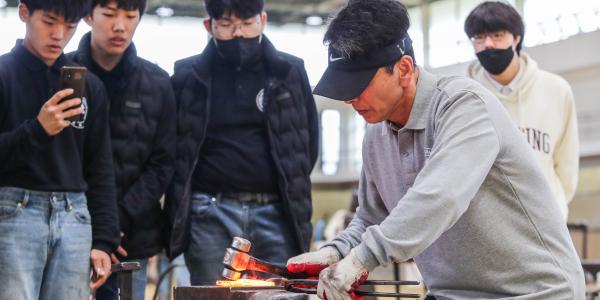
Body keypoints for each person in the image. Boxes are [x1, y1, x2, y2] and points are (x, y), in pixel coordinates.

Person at [285, 0, 585, 299]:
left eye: (358, 85)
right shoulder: (375, 135)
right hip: (452, 294)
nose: (348, 99)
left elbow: (440, 196)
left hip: (537, 292)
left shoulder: (464, 105)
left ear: (403, 69)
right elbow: (372, 217)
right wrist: (334, 251)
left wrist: (364, 258)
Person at [164, 0, 318, 285]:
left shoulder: (289, 72)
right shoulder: (188, 76)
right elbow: (174, 148)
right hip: (210, 212)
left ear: (263, 19)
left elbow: (307, 145)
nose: (239, 34)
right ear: (209, 25)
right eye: (227, 25)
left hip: (277, 213)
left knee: (280, 292)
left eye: (247, 24)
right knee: (212, 293)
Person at [0, 0, 120, 298]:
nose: (59, 34)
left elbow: (100, 166)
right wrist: (38, 130)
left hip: (75, 213)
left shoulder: (89, 86)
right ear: (24, 12)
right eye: (50, 21)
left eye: (70, 25)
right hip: (14, 208)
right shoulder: (4, 74)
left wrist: (103, 241)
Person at [69, 0, 176, 299]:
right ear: (88, 15)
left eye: (131, 16)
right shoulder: (63, 74)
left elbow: (163, 163)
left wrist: (115, 222)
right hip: (65, 230)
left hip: (130, 239)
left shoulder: (157, 83)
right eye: (110, 14)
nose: (121, 25)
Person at [464, 1, 579, 220]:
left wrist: (554, 207)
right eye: (479, 38)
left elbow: (567, 168)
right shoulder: (461, 95)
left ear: (516, 38)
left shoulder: (557, 90)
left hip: (544, 220)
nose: (488, 44)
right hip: (485, 225)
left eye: (497, 35)